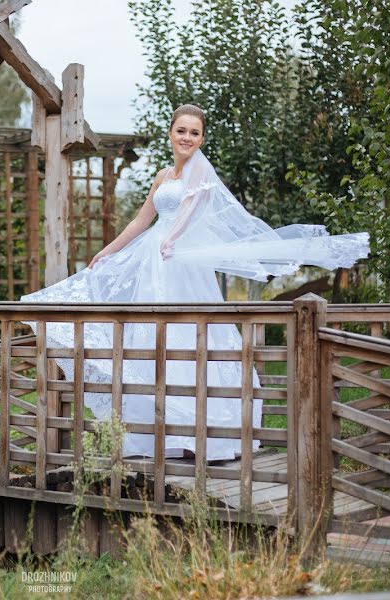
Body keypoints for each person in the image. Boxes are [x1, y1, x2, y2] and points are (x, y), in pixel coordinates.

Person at [21, 104, 369, 459]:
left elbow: (189, 209)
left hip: (179, 261)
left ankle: (206, 431)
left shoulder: (201, 168)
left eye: (195, 133)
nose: (187, 138)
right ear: (171, 133)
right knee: (150, 336)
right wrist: (107, 251)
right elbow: (140, 221)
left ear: (201, 138)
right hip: (153, 260)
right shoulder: (162, 176)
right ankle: (158, 432)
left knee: (188, 334)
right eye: (182, 131)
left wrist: (173, 237)